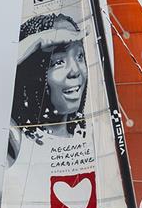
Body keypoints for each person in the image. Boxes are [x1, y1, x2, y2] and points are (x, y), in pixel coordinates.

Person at [7, 13, 88, 166]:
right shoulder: (14, 140)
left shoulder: (92, 132)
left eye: (79, 56)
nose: (75, 71)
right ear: (31, 72)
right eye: (58, 62)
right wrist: (36, 42)